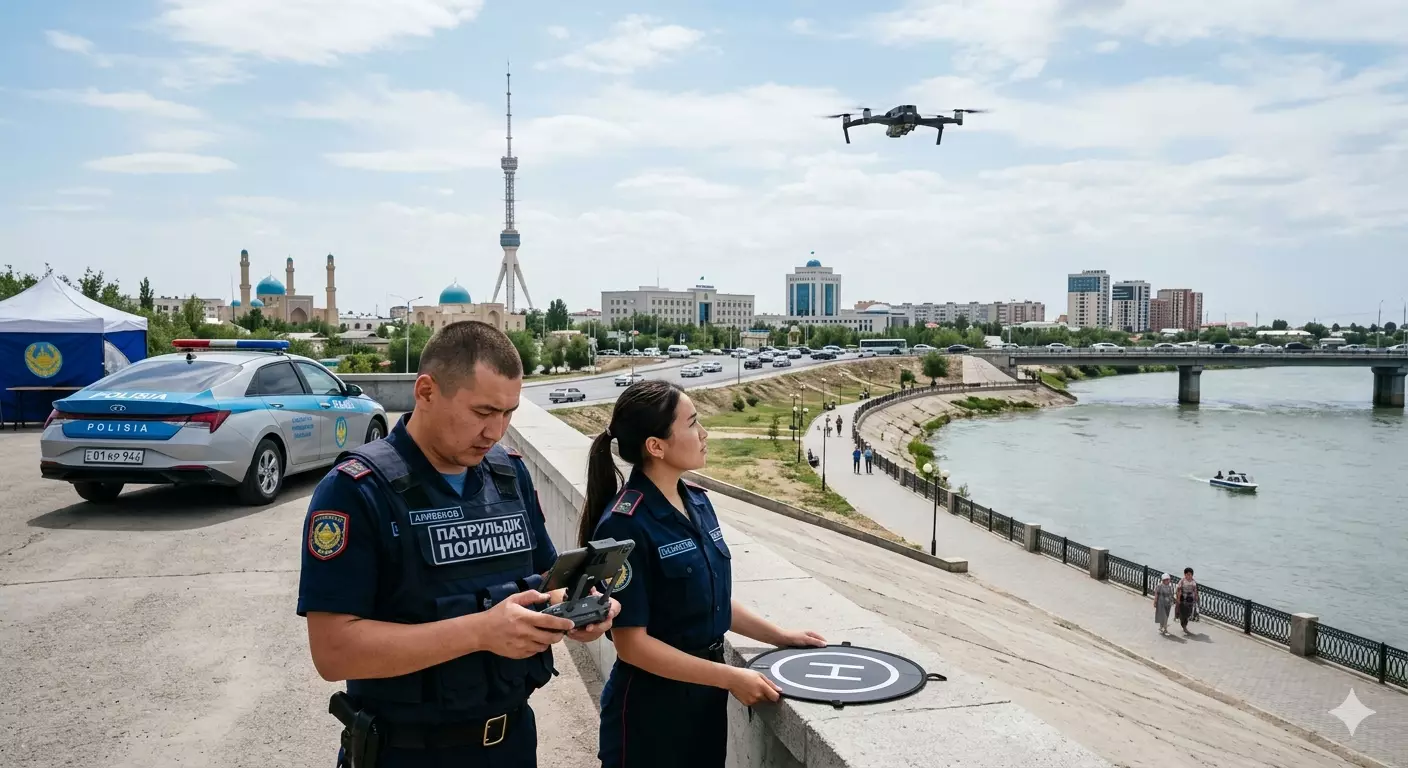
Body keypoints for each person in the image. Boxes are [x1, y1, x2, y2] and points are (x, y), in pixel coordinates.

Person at [297, 320, 619, 768]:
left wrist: (576, 607)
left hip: (513, 743)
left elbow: (546, 581)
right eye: (483, 412)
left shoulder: (508, 474)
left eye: (508, 413)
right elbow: (333, 651)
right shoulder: (356, 491)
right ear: (426, 391)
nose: (496, 432)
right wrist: (481, 632)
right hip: (408, 752)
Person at [581, 380, 826, 768]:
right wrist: (730, 677)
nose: (704, 433)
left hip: (704, 700)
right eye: (693, 423)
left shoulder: (696, 501)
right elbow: (631, 644)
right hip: (652, 711)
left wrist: (780, 636)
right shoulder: (625, 524)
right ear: (656, 446)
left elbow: (709, 600)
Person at [1175, 567, 1200, 634]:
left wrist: (1196, 597)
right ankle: (1184, 626)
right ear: (1185, 574)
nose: (1189, 576)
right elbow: (1178, 590)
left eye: (1190, 574)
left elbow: (1195, 590)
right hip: (1183, 599)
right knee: (1182, 613)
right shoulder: (1182, 581)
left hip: (1190, 600)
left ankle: (1184, 624)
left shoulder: (1194, 582)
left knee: (1188, 613)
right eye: (1188, 574)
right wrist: (1178, 599)